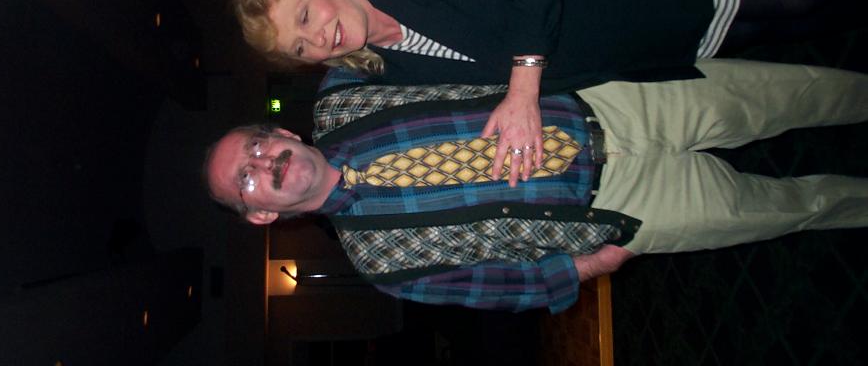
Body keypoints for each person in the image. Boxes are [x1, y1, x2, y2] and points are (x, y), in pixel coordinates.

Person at [233, 0, 865, 181]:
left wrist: (523, 88)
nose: (317, 37)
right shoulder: (386, 67)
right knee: (797, 27)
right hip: (636, 48)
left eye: (305, 15)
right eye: (301, 47)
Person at [205, 59, 868, 313]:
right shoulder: (381, 263)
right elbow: (496, 286)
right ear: (260, 214)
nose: (264, 164)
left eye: (257, 146)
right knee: (790, 209)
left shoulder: (344, 92)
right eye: (247, 180)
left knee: (787, 92)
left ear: (282, 134)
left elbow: (415, 21)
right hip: (620, 210)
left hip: (611, 101)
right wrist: (586, 268)